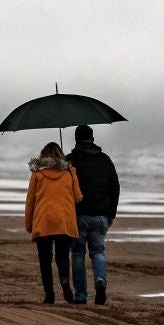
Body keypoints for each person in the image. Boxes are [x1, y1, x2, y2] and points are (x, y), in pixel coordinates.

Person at [24, 141, 83, 304]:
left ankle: (49, 294)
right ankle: (64, 281)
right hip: (64, 221)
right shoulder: (70, 172)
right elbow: (78, 197)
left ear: (43, 156)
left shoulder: (37, 174)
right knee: (63, 258)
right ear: (60, 155)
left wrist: (29, 225)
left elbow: (30, 202)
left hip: (43, 221)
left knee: (45, 260)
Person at [67, 124, 120, 305]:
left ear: (76, 139)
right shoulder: (105, 160)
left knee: (77, 253)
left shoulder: (70, 160)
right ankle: (100, 281)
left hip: (78, 215)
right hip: (101, 215)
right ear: (93, 138)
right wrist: (111, 213)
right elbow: (115, 187)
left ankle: (80, 295)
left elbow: (64, 189)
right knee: (98, 251)